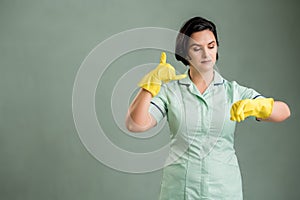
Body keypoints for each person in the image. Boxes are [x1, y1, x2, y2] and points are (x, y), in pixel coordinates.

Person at [126, 16, 290, 200]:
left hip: (224, 191)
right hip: (180, 191)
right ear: (185, 53)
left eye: (211, 46)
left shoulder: (233, 91)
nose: (206, 54)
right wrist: (149, 87)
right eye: (197, 48)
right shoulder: (171, 92)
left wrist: (259, 107)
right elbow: (136, 125)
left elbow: (284, 111)